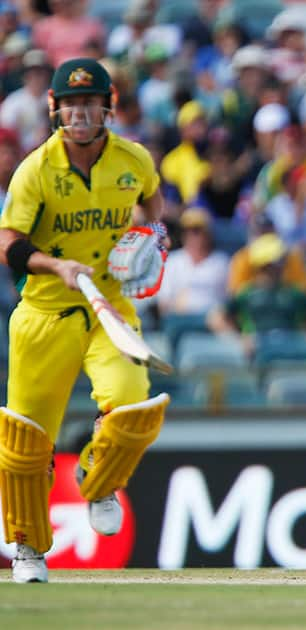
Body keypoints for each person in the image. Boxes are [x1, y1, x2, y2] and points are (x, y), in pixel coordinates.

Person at [0, 58, 170, 583]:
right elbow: (8, 243)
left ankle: (98, 482)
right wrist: (57, 266)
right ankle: (27, 549)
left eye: (90, 103)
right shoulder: (36, 169)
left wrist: (151, 242)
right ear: (54, 109)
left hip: (110, 306)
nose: (80, 113)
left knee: (136, 410)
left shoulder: (133, 160)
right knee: (26, 442)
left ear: (107, 109)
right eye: (71, 104)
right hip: (46, 311)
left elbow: (153, 208)